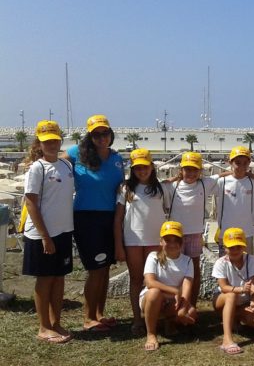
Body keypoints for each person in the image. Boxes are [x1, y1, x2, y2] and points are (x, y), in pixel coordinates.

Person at [66, 114, 124, 331]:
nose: (102, 137)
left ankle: (99, 313)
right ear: (90, 137)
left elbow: (124, 186)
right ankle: (88, 318)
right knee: (96, 269)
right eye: (96, 134)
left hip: (110, 217)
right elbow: (53, 165)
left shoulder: (117, 158)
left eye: (105, 133)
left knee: (106, 267)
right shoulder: (75, 154)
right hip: (86, 217)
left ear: (111, 134)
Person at [22, 120, 74, 343]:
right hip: (42, 234)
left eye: (55, 140)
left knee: (59, 278)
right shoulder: (37, 168)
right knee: (45, 280)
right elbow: (31, 203)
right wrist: (45, 236)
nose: (52, 144)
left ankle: (56, 322)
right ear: (39, 143)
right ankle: (43, 327)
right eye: (47, 141)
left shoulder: (66, 166)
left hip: (63, 231)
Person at [113, 148, 169, 334]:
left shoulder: (161, 188)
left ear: (152, 167)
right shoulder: (125, 188)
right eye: (138, 168)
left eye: (145, 167)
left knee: (156, 280)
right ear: (133, 169)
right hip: (133, 241)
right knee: (136, 279)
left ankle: (160, 317)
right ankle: (138, 319)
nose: (142, 171)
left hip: (156, 240)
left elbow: (169, 211)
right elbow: (118, 219)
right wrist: (119, 245)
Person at [165, 151, 218, 306]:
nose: (191, 173)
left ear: (200, 171)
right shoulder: (172, 186)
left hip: (195, 234)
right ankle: (175, 305)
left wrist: (250, 173)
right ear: (181, 170)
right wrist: (172, 179)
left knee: (194, 271)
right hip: (175, 235)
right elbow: (159, 185)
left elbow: (225, 175)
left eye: (195, 169)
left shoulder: (204, 183)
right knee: (174, 271)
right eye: (187, 169)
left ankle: (191, 305)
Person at [140, 221, 198, 351]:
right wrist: (175, 291)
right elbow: (150, 282)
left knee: (191, 313)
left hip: (174, 300)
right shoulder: (153, 256)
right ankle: (151, 334)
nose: (172, 244)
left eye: (175, 240)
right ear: (161, 241)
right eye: (167, 240)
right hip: (153, 298)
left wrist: (183, 308)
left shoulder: (187, 261)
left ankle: (169, 322)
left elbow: (187, 287)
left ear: (181, 242)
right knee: (154, 292)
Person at [212, 228, 254, 355]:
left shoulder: (251, 260)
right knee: (231, 295)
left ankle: (233, 319)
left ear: (243, 247)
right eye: (231, 247)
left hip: (243, 302)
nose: (235, 250)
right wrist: (240, 289)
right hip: (222, 298)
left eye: (238, 247)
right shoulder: (220, 262)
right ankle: (227, 340)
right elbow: (223, 287)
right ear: (225, 248)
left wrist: (253, 302)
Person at [214, 146, 254, 256]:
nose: (241, 166)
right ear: (230, 162)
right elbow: (203, 181)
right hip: (226, 232)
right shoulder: (221, 182)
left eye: (245, 163)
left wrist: (253, 175)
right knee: (226, 265)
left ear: (249, 163)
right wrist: (225, 173)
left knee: (247, 265)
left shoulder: (253, 182)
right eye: (238, 162)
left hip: (247, 232)